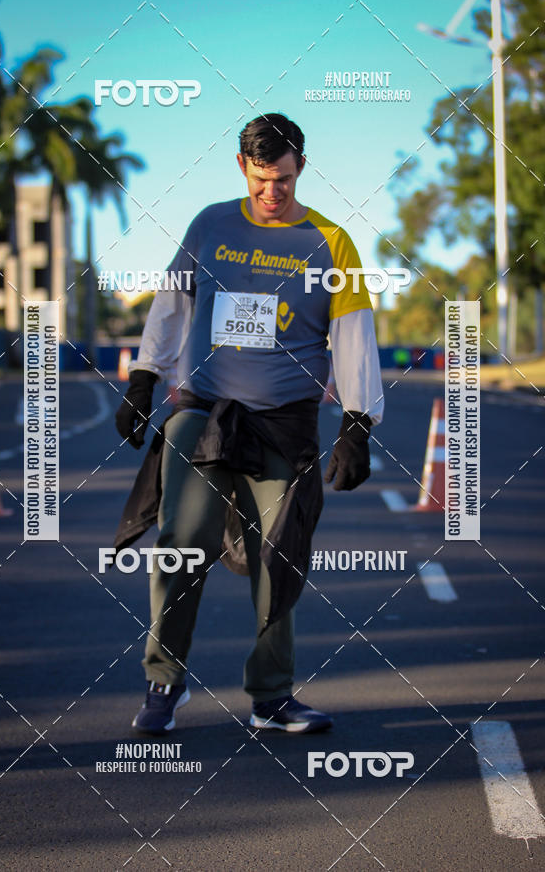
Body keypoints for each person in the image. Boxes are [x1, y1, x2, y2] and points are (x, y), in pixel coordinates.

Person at [114, 113, 383, 735]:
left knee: (278, 556)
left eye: (283, 180)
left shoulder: (331, 242)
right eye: (262, 180)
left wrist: (357, 422)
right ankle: (164, 683)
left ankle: (271, 697)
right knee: (181, 548)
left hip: (283, 426)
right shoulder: (209, 224)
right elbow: (172, 303)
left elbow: (353, 339)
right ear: (243, 168)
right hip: (203, 414)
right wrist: (144, 377)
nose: (272, 193)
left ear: (302, 168)